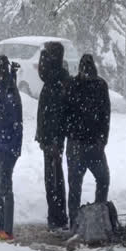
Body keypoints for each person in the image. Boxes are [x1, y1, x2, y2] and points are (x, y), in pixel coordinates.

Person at [65, 54, 110, 229]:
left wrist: (72, 134)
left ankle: (75, 223)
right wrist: (102, 139)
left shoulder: (73, 85)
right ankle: (97, 218)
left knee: (76, 184)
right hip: (91, 143)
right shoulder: (99, 85)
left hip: (79, 143)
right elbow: (105, 115)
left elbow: (66, 113)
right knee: (102, 179)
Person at [35, 41, 71, 230]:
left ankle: (57, 217)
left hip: (52, 140)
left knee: (53, 179)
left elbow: (56, 115)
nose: (41, 63)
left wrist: (54, 140)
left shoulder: (55, 81)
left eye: (45, 57)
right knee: (54, 178)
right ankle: (57, 216)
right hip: (50, 139)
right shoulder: (55, 79)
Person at [0, 55, 23, 241]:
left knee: (4, 187)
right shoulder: (5, 88)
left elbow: (9, 120)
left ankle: (6, 230)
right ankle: (2, 227)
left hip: (7, 146)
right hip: (2, 145)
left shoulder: (8, 91)